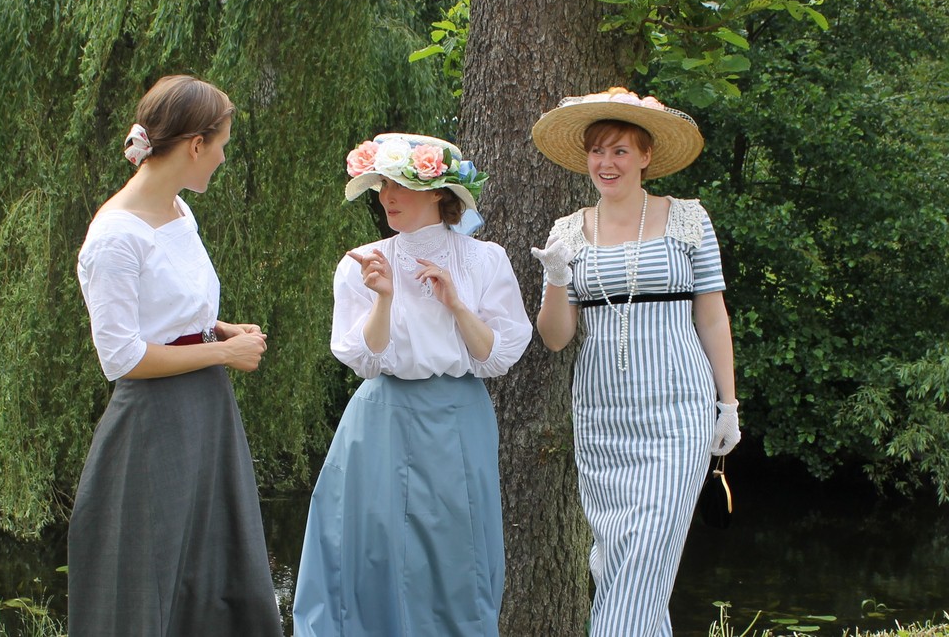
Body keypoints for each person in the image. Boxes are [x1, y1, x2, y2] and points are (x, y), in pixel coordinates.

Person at [293, 133, 533, 636]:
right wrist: (383, 297)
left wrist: (456, 304)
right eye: (381, 184)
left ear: (439, 192)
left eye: (400, 183)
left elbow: (496, 356)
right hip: (381, 416)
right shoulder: (363, 260)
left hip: (457, 415)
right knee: (369, 548)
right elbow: (367, 359)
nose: (387, 196)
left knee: (455, 549)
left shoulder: (484, 260)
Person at [71, 75, 283, 637]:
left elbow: (171, 309)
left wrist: (216, 329)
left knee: (213, 572)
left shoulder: (179, 212)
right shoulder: (115, 238)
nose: (220, 159)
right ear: (195, 145)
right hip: (153, 426)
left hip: (205, 414)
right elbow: (122, 357)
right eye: (220, 147)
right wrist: (222, 354)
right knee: (151, 580)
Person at [529, 87, 741, 636]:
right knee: (622, 563)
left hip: (677, 412)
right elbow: (555, 338)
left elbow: (713, 317)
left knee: (645, 553)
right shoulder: (568, 232)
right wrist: (555, 277)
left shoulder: (688, 220)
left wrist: (729, 404)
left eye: (620, 150)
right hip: (602, 418)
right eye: (598, 151)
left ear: (646, 156)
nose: (607, 163)